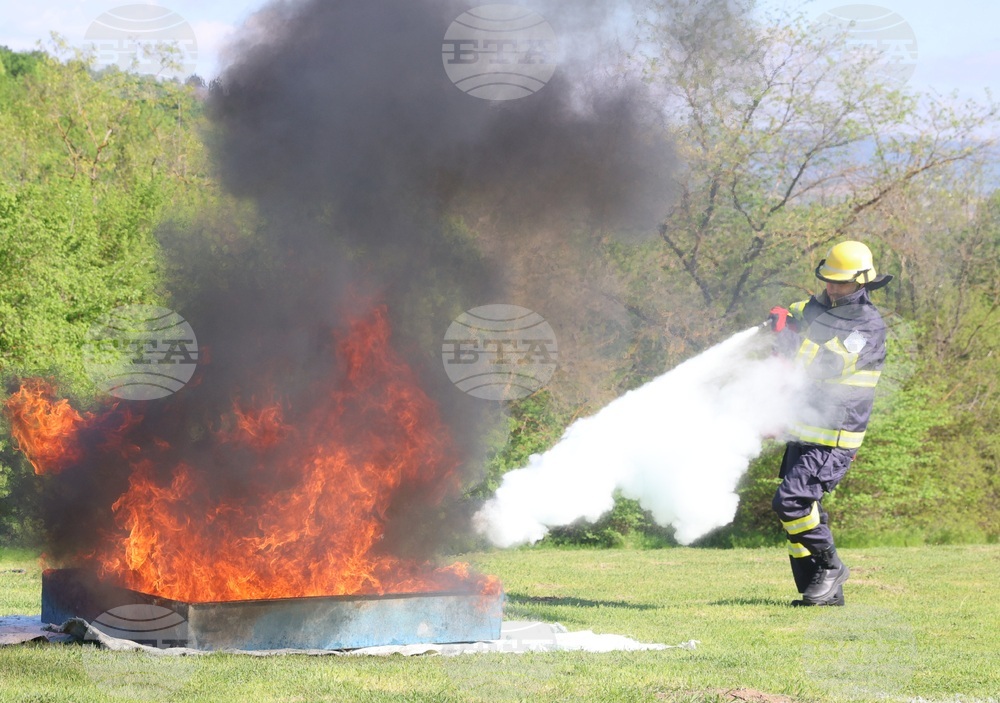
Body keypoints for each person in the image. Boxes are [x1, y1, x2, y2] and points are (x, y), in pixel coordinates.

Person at [767, 241, 892, 606]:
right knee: (801, 515)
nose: (832, 288)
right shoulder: (821, 306)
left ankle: (831, 565)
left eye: (841, 284)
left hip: (835, 434)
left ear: (862, 282)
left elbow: (826, 364)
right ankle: (822, 597)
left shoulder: (868, 327)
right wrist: (781, 319)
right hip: (805, 427)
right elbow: (796, 313)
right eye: (828, 281)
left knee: (790, 502)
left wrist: (787, 339)